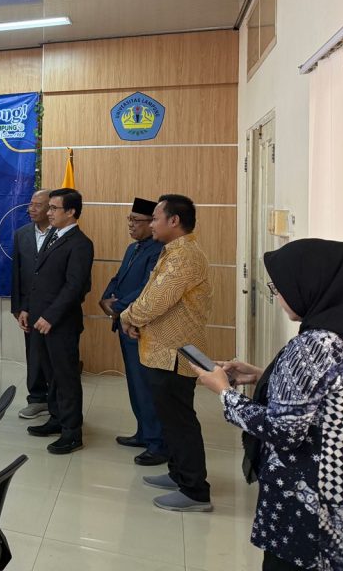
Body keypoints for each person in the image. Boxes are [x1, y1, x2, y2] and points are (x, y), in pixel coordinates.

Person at [191, 239, 343, 570]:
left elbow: (283, 429)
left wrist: (224, 392)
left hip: (307, 501)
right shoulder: (336, 333)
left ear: (308, 284)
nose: (276, 296)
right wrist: (265, 376)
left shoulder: (314, 345)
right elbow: (325, 397)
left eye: (279, 287)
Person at [121, 194, 213, 512]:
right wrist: (135, 318)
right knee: (170, 419)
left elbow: (156, 300)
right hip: (162, 350)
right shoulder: (173, 250)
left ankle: (195, 490)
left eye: (157, 218)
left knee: (180, 421)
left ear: (174, 221)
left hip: (175, 353)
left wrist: (128, 316)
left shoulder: (184, 255)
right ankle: (178, 474)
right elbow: (151, 293)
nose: (152, 224)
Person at [23, 188, 94, 455]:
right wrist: (28, 309)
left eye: (54, 208)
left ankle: (72, 432)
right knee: (50, 375)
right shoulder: (53, 235)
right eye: (49, 207)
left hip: (60, 323)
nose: (49, 213)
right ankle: (56, 418)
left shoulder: (80, 243)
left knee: (66, 378)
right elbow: (38, 278)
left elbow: (74, 287)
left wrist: (50, 316)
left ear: (71, 211)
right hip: (39, 320)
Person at [99, 197, 166, 465]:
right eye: (129, 219)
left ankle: (157, 443)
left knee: (146, 386)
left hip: (141, 326)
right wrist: (105, 299)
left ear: (152, 223)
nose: (131, 225)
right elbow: (119, 278)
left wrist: (118, 307)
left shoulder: (159, 251)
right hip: (124, 323)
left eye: (136, 220)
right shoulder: (132, 248)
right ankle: (143, 432)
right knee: (135, 384)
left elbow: (148, 288)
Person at [10, 189, 52, 419]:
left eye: (38, 205)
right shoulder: (22, 234)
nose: (31, 209)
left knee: (55, 359)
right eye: (30, 204)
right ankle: (36, 398)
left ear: (51, 208)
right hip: (29, 307)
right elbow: (17, 273)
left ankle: (57, 402)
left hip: (55, 309)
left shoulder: (61, 234)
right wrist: (18, 308)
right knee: (33, 355)